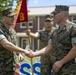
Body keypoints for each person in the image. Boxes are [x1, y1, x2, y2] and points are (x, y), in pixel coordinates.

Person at [29, 5, 76, 75]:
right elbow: (49, 47)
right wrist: (34, 53)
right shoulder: (55, 32)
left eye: (55, 14)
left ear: (62, 15)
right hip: (56, 69)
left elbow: (75, 49)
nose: (53, 17)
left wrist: (61, 62)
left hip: (69, 70)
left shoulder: (73, 28)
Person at [0, 7, 30, 75]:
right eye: (10, 16)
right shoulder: (0, 30)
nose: (13, 18)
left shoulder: (13, 31)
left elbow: (14, 45)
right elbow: (6, 44)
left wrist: (19, 53)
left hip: (11, 68)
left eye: (13, 16)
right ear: (3, 18)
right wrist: (24, 51)